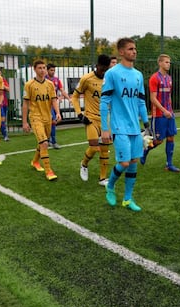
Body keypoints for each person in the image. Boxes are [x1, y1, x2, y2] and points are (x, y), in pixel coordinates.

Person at [100, 38, 150, 212]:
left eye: (135, 48)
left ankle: (128, 199)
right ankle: (110, 185)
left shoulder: (138, 75)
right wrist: (105, 129)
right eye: (130, 49)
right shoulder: (112, 73)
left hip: (135, 127)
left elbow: (141, 102)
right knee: (125, 163)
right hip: (119, 126)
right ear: (121, 52)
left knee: (134, 161)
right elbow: (104, 101)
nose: (134, 51)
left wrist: (147, 124)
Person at [71, 54, 111, 186]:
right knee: (94, 147)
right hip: (91, 119)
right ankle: (84, 164)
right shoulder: (87, 79)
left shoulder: (110, 79)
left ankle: (103, 178)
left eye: (106, 69)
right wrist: (80, 114)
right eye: (102, 69)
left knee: (105, 149)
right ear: (97, 66)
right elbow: (75, 97)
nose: (104, 72)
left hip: (106, 119)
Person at [140, 54, 180, 172]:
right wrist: (164, 111)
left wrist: (170, 111)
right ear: (160, 63)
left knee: (171, 137)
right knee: (158, 141)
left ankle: (169, 164)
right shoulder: (154, 78)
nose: (169, 64)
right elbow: (153, 98)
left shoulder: (169, 78)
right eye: (166, 62)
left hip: (169, 114)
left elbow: (168, 97)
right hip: (158, 115)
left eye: (169, 62)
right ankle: (145, 151)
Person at [22, 59, 61, 181]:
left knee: (42, 142)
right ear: (34, 69)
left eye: (44, 68)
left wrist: (58, 113)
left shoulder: (50, 84)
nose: (42, 70)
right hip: (35, 117)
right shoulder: (29, 85)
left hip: (47, 117)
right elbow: (25, 104)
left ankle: (34, 161)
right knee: (44, 143)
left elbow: (54, 100)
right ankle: (49, 171)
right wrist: (24, 122)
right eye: (40, 68)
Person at [46, 63, 72, 149]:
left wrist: (69, 98)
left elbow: (62, 90)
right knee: (47, 123)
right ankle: (47, 139)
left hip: (53, 105)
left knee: (53, 122)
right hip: (44, 105)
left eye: (54, 70)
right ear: (47, 70)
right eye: (51, 70)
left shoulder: (56, 80)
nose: (53, 72)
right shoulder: (43, 79)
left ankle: (53, 141)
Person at [0, 67, 10, 141]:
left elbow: (8, 89)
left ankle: (0, 133)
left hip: (4, 103)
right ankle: (5, 135)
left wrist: (2, 86)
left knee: (3, 120)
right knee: (1, 119)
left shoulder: (3, 80)